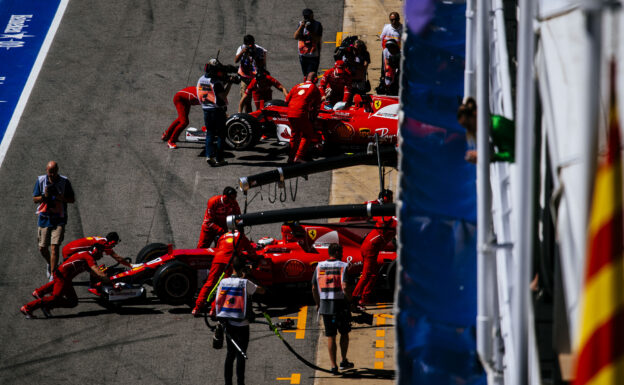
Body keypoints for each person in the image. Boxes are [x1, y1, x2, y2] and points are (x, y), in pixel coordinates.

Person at [20, 243, 110, 318]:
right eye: (102, 252)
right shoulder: (88, 256)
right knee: (55, 298)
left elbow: (94, 273)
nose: (102, 255)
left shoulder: (86, 256)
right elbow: (98, 272)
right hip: (62, 277)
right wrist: (110, 281)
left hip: (65, 278)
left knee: (73, 302)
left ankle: (41, 296)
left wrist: (102, 278)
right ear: (96, 251)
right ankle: (28, 308)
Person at [213, 256, 265, 385]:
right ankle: (240, 382)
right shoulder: (245, 283)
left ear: (232, 267)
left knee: (230, 354)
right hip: (242, 324)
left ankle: (228, 382)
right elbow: (261, 291)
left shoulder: (223, 282)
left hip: (228, 323)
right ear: (243, 268)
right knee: (241, 354)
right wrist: (248, 277)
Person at [311, 243, 354, 375]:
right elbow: (345, 286)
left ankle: (333, 366)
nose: (342, 254)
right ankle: (343, 360)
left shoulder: (319, 266)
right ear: (336, 252)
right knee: (344, 333)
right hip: (341, 306)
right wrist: (351, 301)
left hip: (325, 306)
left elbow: (313, 288)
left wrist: (318, 303)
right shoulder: (343, 266)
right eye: (341, 252)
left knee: (331, 336)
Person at [193, 230, 257, 316]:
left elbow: (220, 247)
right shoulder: (241, 236)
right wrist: (257, 258)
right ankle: (214, 310)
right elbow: (251, 251)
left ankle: (196, 308)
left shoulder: (223, 236)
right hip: (230, 261)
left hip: (218, 259)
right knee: (224, 286)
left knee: (210, 282)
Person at [33, 161, 76, 279]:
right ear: (46, 170)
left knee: (54, 247)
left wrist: (59, 197)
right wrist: (44, 196)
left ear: (57, 170)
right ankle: (51, 263)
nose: (52, 174)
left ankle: (53, 274)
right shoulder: (41, 181)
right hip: (44, 218)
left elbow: (72, 199)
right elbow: (35, 199)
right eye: (50, 172)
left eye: (54, 172)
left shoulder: (64, 182)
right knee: (42, 248)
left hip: (59, 218)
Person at [352, 214, 397, 306]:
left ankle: (365, 297)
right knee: (367, 275)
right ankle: (354, 298)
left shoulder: (390, 218)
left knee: (373, 274)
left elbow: (375, 216)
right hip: (371, 248)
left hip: (369, 245)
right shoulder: (397, 222)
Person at [198, 59, 233, 167]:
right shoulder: (216, 83)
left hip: (206, 109)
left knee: (210, 133)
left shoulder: (201, 79)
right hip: (216, 110)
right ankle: (219, 158)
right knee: (221, 135)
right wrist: (230, 83)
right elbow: (223, 95)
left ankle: (209, 155)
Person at [285, 72, 322, 163]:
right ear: (316, 80)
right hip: (301, 113)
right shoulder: (314, 88)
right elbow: (317, 106)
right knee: (308, 134)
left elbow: (286, 100)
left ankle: (291, 157)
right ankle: (299, 157)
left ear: (305, 78)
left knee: (295, 135)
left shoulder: (297, 86)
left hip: (290, 113)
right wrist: (313, 118)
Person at [234, 35, 267, 113]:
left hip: (256, 79)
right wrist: (242, 52)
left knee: (258, 100)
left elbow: (262, 64)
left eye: (251, 44)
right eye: (247, 44)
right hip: (245, 78)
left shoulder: (259, 50)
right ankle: (249, 116)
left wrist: (255, 55)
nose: (250, 46)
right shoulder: (241, 48)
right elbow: (236, 60)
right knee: (246, 101)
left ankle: (259, 116)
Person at [62, 232, 131, 268]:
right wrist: (131, 265)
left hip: (67, 249)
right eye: (114, 244)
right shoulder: (104, 243)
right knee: (91, 264)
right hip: (69, 252)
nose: (114, 246)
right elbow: (117, 257)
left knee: (90, 262)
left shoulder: (101, 239)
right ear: (112, 242)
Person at [294, 8, 323, 78]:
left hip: (313, 56)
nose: (306, 18)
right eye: (305, 16)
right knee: (305, 76)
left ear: (312, 15)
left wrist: (310, 30)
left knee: (311, 77)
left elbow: (317, 40)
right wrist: (301, 26)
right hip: (303, 55)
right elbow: (295, 37)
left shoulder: (317, 25)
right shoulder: (301, 24)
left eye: (308, 16)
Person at [380, 12, 402, 77]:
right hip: (387, 53)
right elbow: (382, 39)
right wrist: (385, 51)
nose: (393, 21)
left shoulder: (403, 29)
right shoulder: (387, 28)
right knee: (385, 69)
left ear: (399, 19)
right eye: (392, 20)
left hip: (398, 54)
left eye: (395, 19)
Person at [457, 97, 478, 164]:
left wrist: (490, 157)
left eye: (468, 125)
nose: (469, 130)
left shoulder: (496, 125)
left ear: (474, 114)